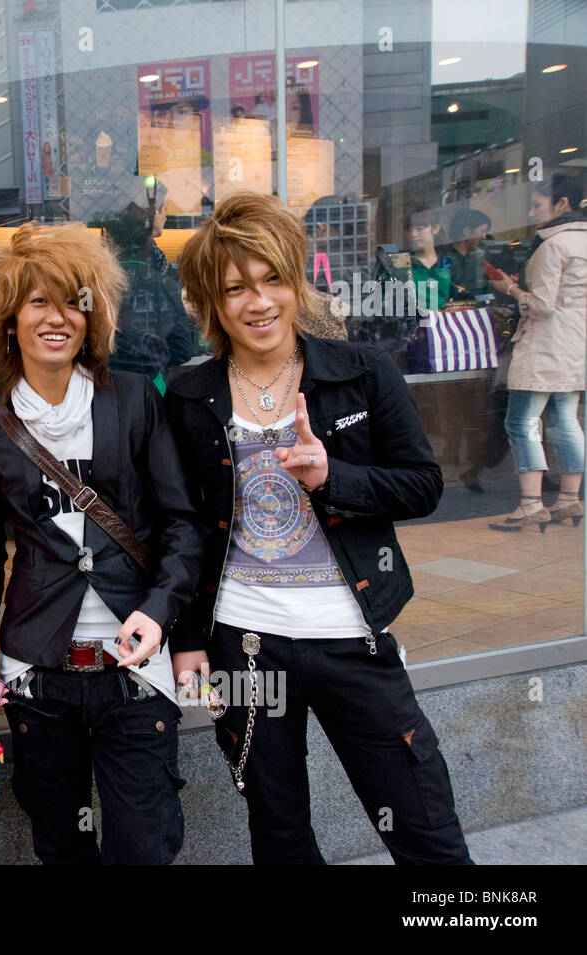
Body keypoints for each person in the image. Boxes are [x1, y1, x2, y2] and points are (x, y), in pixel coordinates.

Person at [165, 193, 471, 865]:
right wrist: (187, 640)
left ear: (297, 278)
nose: (259, 301)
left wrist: (334, 477)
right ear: (212, 304)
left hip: (350, 637)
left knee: (423, 824)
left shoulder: (362, 374)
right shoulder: (189, 397)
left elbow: (423, 484)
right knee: (278, 832)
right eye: (236, 287)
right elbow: (181, 527)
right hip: (246, 642)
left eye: (272, 277)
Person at [0, 222, 205, 865]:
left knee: (142, 846)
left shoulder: (133, 403)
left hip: (134, 670)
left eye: (73, 300)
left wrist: (160, 613)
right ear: (10, 319)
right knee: (61, 846)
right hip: (40, 676)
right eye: (38, 301)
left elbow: (182, 524)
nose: (57, 317)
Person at [488, 174, 587, 531]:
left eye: (537, 204)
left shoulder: (552, 245)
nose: (531, 213)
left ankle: (531, 504)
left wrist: (510, 289)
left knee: (522, 421)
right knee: (566, 420)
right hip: (576, 344)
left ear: (562, 204)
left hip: (545, 343)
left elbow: (541, 305)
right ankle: (570, 500)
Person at [112, 180, 196, 382]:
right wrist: (177, 315)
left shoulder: (104, 273)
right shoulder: (158, 279)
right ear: (153, 214)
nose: (166, 215)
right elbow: (182, 350)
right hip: (149, 385)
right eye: (165, 208)